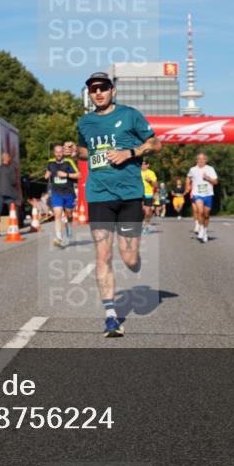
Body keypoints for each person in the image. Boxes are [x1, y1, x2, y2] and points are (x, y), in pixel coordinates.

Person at [75, 72, 161, 337]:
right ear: (89, 94)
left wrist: (129, 153)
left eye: (103, 88)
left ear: (112, 90)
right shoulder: (84, 122)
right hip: (99, 195)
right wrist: (74, 151)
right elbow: (85, 150)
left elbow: (156, 144)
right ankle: (111, 316)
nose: (98, 92)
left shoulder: (130, 115)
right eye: (93, 89)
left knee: (129, 258)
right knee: (103, 255)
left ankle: (135, 259)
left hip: (129, 195)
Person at [45, 143, 79, 247]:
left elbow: (79, 175)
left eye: (60, 152)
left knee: (69, 214)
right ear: (54, 153)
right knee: (58, 214)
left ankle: (69, 226)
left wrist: (66, 174)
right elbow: (47, 173)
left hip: (68, 193)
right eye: (57, 152)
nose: (59, 154)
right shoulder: (50, 162)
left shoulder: (69, 162)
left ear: (63, 152)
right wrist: (47, 175)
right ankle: (58, 237)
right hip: (57, 193)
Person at [186, 153, 218, 242]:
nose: (200, 161)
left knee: (206, 215)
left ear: (206, 160)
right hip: (197, 194)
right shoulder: (193, 169)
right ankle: (200, 229)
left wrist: (208, 178)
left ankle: (205, 231)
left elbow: (215, 182)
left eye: (202, 159)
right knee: (200, 212)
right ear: (196, 160)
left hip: (208, 194)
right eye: (199, 159)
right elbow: (188, 177)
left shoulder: (210, 169)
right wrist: (187, 185)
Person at [0, 152, 20, 237]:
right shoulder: (11, 169)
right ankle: (14, 228)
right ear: (6, 159)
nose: (10, 159)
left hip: (0, 193)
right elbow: (13, 181)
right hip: (9, 193)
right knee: (12, 211)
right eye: (9, 158)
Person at [140, 160, 159, 234]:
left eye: (144, 164)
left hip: (149, 194)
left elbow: (156, 185)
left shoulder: (151, 173)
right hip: (139, 194)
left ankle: (146, 226)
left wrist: (150, 181)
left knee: (147, 212)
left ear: (148, 165)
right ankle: (142, 226)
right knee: (141, 210)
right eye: (141, 164)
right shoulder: (137, 172)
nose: (143, 166)